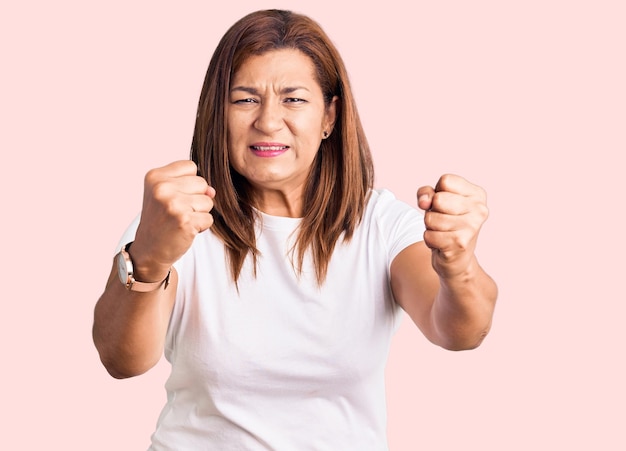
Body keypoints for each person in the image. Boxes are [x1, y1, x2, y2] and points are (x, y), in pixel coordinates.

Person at [93, 9, 497, 450]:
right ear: (217, 114)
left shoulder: (380, 224)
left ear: (329, 117)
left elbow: (459, 331)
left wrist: (456, 265)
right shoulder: (176, 220)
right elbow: (123, 360)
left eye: (293, 99)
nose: (268, 121)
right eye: (245, 99)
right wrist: (149, 257)